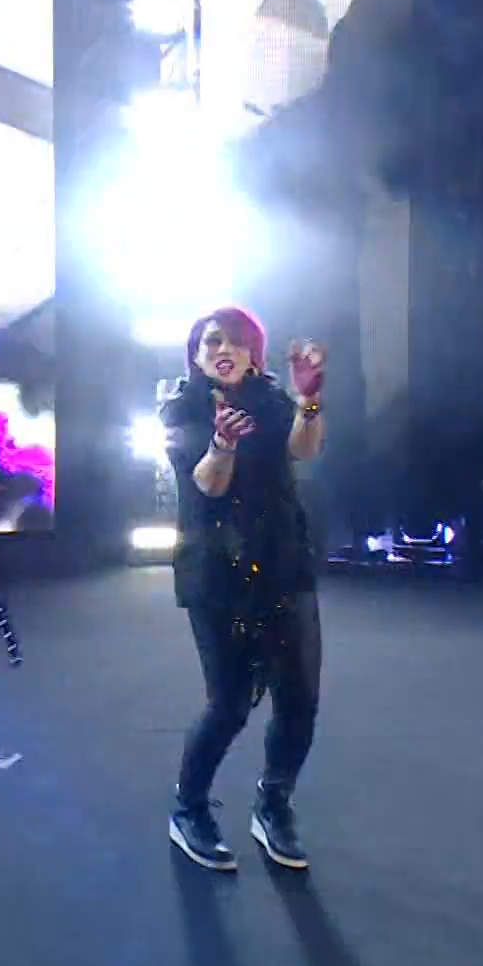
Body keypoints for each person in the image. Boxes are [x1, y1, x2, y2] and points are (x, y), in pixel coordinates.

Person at [159, 307, 327, 872]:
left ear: (254, 353)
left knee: (299, 700)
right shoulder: (181, 409)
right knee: (229, 705)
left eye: (236, 341)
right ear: (196, 353)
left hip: (283, 565)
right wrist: (223, 443)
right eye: (212, 341)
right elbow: (207, 485)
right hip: (216, 575)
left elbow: (304, 448)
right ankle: (189, 809)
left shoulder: (271, 402)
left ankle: (273, 804)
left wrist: (309, 400)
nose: (223, 349)